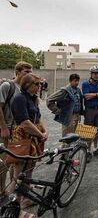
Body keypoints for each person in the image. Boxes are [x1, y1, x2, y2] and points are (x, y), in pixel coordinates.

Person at [11, 73, 48, 209]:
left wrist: (45, 131)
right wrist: (41, 134)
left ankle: (25, 199)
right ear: (27, 85)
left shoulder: (33, 98)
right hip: (23, 137)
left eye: (40, 84)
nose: (39, 86)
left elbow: (38, 117)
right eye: (36, 84)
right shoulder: (20, 98)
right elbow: (24, 123)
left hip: (34, 137)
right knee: (19, 171)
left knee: (30, 169)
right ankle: (14, 205)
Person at [0, 61, 33, 200]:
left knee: (16, 161)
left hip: (17, 131)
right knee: (3, 163)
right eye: (26, 71)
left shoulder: (23, 89)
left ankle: (12, 193)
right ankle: (1, 192)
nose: (29, 74)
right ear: (18, 72)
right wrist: (3, 127)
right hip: (6, 129)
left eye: (30, 71)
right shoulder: (8, 86)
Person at [82, 66, 98, 162]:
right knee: (88, 131)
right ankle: (88, 150)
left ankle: (95, 148)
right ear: (91, 74)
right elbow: (86, 96)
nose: (96, 75)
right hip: (89, 110)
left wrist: (94, 94)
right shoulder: (85, 84)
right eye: (94, 73)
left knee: (97, 130)